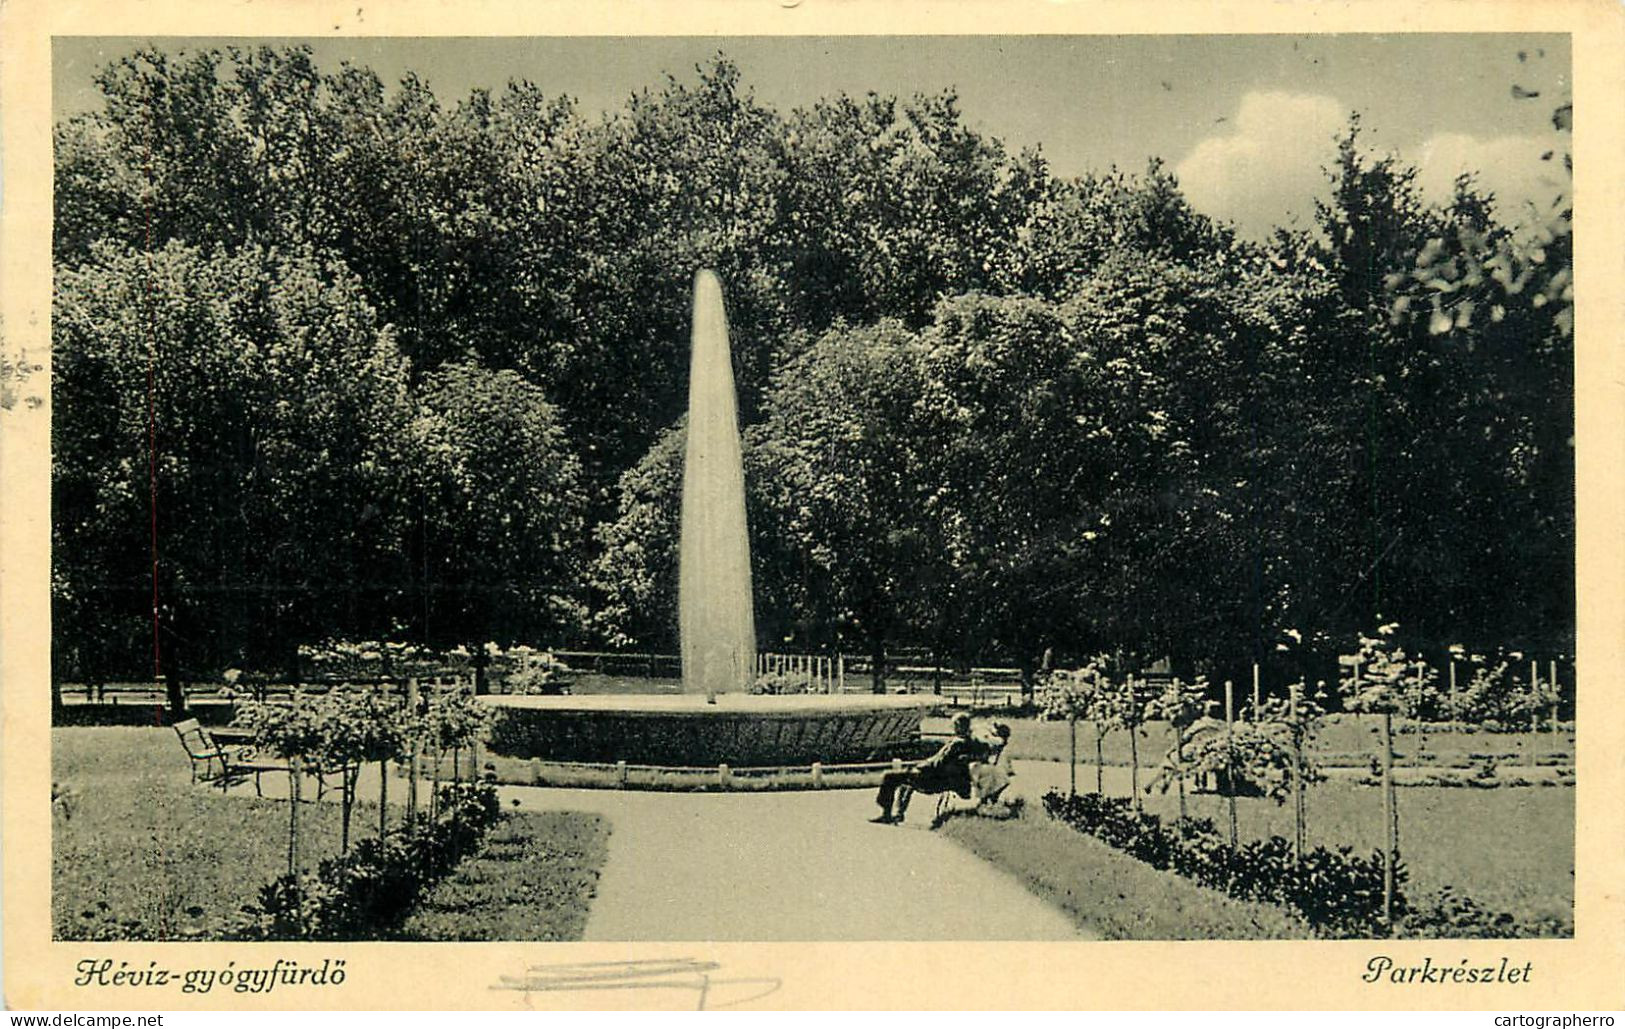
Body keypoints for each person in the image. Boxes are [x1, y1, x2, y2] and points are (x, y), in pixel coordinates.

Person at [870, 712, 988, 824]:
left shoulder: (958, 743)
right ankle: (897, 813)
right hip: (942, 779)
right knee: (904, 778)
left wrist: (922, 765)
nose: (953, 728)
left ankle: (888, 814)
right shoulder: (969, 742)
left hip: (932, 780)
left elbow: (939, 763)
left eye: (955, 725)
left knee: (889, 776)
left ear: (959, 726)